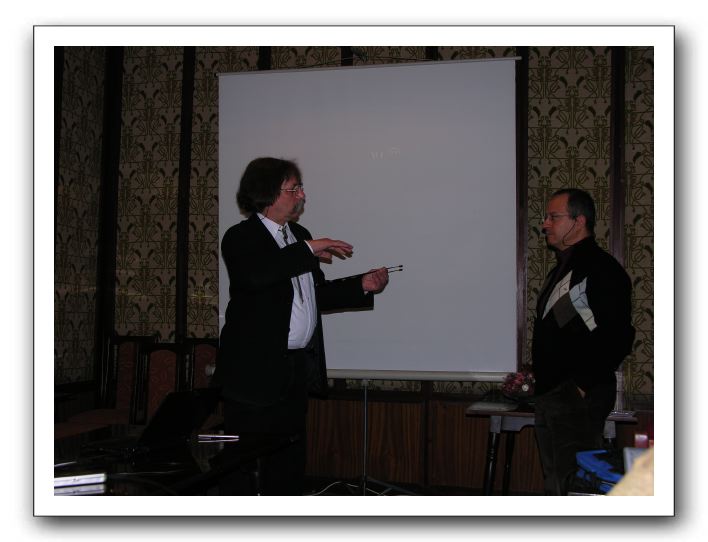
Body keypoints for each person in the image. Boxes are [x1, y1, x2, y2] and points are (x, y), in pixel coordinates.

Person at [212, 157, 389, 495]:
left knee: (289, 463)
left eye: (300, 188)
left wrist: (361, 286)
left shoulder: (300, 236)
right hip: (252, 374)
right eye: (293, 189)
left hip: (294, 370)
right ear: (267, 193)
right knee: (244, 468)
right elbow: (258, 275)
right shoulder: (240, 237)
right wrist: (308, 248)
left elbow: (313, 295)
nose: (302, 195)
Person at [532, 188, 635, 496]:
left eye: (553, 217)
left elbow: (618, 335)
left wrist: (580, 385)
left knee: (576, 485)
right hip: (551, 393)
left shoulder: (602, 269)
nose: (545, 224)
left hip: (577, 395)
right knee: (556, 481)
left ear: (579, 221)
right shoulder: (563, 268)